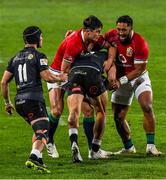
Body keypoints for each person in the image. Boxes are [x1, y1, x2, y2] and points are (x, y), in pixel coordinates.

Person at [1, 26, 67, 173]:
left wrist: (7, 102)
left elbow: (3, 82)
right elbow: (47, 77)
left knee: (37, 128)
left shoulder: (15, 58)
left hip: (19, 102)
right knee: (44, 129)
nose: (42, 39)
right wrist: (60, 77)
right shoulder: (39, 56)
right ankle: (33, 157)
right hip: (33, 99)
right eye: (41, 36)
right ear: (37, 39)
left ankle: (40, 161)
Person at [46, 15, 113, 158]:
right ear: (88, 31)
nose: (99, 35)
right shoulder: (73, 43)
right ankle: (49, 141)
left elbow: (111, 46)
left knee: (88, 110)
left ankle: (92, 150)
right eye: (98, 31)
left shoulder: (93, 38)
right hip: (59, 74)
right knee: (57, 110)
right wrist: (86, 80)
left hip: (75, 72)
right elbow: (65, 69)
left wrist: (110, 60)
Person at [105, 15, 162, 156]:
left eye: (124, 30)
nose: (120, 33)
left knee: (147, 106)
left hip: (138, 78)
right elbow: (96, 39)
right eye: (119, 29)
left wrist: (121, 81)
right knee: (118, 117)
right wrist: (73, 34)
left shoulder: (140, 42)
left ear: (131, 28)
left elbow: (139, 69)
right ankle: (128, 147)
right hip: (120, 80)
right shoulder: (112, 35)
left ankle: (151, 146)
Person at [62, 51, 110, 162]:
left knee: (74, 112)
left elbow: (65, 67)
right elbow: (110, 71)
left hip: (75, 74)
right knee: (100, 111)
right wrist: (111, 80)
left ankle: (74, 142)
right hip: (92, 74)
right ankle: (95, 150)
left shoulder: (77, 51)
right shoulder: (104, 53)